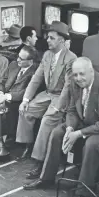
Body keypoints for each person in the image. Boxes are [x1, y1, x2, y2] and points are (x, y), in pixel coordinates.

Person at [23, 57, 99, 197]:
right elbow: (72, 110)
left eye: (82, 74)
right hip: (88, 120)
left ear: (91, 71)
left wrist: (78, 134)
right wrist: (70, 128)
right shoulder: (74, 82)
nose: (78, 78)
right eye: (75, 74)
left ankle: (84, 192)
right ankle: (46, 178)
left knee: (91, 144)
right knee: (57, 132)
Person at [16, 21, 77, 173]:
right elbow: (36, 78)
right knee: (26, 110)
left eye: (51, 38)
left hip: (61, 97)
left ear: (62, 40)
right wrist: (25, 100)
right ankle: (27, 145)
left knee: (47, 120)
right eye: (47, 37)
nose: (47, 40)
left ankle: (39, 160)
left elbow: (68, 87)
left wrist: (58, 107)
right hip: (48, 94)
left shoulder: (71, 58)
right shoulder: (47, 55)